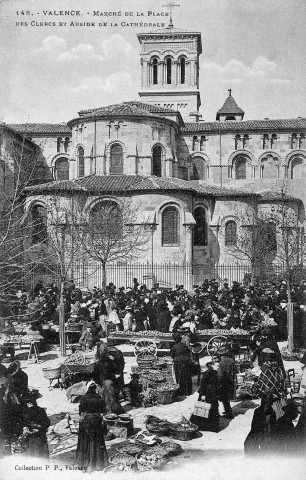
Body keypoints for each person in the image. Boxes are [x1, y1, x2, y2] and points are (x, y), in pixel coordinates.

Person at [76, 382, 108, 473]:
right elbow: (103, 412)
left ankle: (85, 464)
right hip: (96, 421)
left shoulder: (84, 398)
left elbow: (81, 412)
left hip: (85, 422)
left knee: (85, 442)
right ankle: (95, 464)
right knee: (96, 442)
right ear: (95, 389)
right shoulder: (99, 398)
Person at [18, 392, 51, 459]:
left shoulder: (40, 411)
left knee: (41, 457)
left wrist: (39, 429)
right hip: (28, 438)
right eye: (27, 402)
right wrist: (24, 428)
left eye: (31, 402)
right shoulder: (24, 412)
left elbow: (47, 422)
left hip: (40, 437)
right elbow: (20, 422)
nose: (29, 404)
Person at [191, 360, 220, 432]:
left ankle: (211, 427)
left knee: (212, 409)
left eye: (219, 366)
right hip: (207, 393)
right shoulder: (207, 373)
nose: (218, 368)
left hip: (213, 393)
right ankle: (202, 426)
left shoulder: (215, 372)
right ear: (212, 365)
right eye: (217, 366)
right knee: (203, 409)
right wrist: (203, 394)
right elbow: (203, 384)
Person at [217, 346, 236, 419]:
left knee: (224, 399)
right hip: (230, 381)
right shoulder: (231, 360)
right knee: (227, 398)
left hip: (224, 382)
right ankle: (228, 411)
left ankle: (229, 414)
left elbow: (220, 374)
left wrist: (218, 382)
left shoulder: (222, 362)